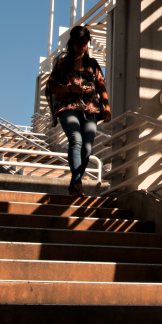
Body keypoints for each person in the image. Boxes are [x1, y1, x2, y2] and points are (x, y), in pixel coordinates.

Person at [47, 25, 110, 197]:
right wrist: (69, 88)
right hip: (68, 106)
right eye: (78, 43)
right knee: (76, 139)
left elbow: (101, 85)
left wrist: (107, 106)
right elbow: (51, 87)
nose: (82, 47)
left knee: (87, 148)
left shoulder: (93, 64)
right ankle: (77, 183)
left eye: (85, 43)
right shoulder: (62, 64)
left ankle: (74, 183)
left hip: (90, 108)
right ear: (72, 42)